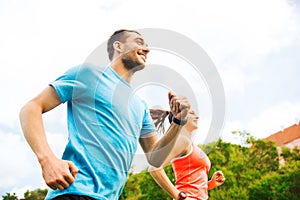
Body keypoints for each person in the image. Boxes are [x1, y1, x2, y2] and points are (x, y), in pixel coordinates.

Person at [19, 29, 191, 200]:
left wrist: (178, 122)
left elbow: (155, 158)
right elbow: (31, 108)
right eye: (139, 42)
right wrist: (48, 160)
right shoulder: (88, 74)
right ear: (118, 45)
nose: (147, 49)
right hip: (74, 192)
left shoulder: (140, 106)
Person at [149, 109, 225, 200]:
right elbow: (155, 168)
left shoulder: (190, 144)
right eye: (192, 113)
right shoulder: (182, 141)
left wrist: (210, 184)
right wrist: (180, 196)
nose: (197, 117)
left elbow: (190, 184)